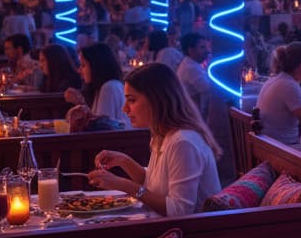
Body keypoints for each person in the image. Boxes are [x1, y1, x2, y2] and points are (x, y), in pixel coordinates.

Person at [85, 63, 222, 217]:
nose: (125, 109)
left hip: (192, 235)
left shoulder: (183, 142)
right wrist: (124, 161)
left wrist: (123, 185)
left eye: (131, 100)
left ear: (156, 99)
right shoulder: (162, 134)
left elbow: (178, 211)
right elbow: (153, 185)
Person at [177, 32, 232, 179]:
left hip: (194, 114)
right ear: (190, 50)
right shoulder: (191, 67)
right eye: (202, 47)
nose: (206, 51)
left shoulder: (191, 64)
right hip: (196, 117)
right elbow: (209, 88)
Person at [65, 43, 129, 128]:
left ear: (96, 65)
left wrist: (80, 103)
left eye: (83, 65)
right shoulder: (107, 86)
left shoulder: (108, 88)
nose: (79, 70)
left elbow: (101, 130)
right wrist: (80, 103)